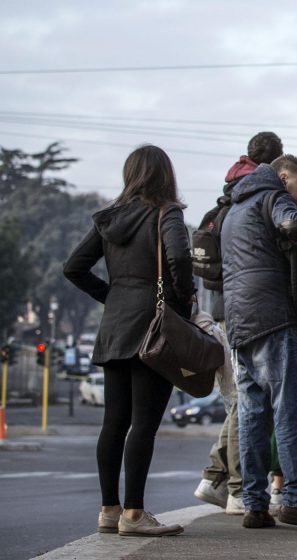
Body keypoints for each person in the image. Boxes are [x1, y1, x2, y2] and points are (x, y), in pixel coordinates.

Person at [63, 144, 193, 537]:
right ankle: (134, 514)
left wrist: (112, 296)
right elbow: (181, 260)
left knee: (114, 423)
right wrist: (182, 304)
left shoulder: (108, 219)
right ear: (164, 175)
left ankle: (109, 510)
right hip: (153, 327)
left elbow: (73, 267)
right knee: (144, 424)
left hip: (115, 328)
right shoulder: (166, 213)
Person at [223, 154, 297, 531]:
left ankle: (255, 505)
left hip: (239, 323)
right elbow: (291, 223)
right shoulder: (273, 196)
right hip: (274, 317)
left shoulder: (234, 209)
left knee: (253, 415)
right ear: (284, 175)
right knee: (292, 409)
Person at [195, 130, 283, 516]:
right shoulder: (256, 198)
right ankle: (235, 486)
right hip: (249, 309)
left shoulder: (226, 197)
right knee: (245, 403)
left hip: (221, 310)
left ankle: (215, 478)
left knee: (239, 400)